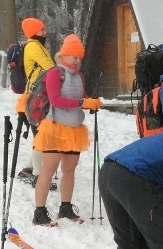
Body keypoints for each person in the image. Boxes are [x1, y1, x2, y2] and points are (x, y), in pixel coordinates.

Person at [31, 34, 102, 226]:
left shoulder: (79, 76)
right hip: (55, 127)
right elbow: (56, 100)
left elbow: (81, 98)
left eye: (80, 58)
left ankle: (65, 207)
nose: (78, 61)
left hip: (74, 129)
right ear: (64, 56)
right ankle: (39, 212)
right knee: (48, 170)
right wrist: (82, 102)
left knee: (69, 170)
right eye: (74, 57)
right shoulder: (55, 73)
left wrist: (91, 103)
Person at [14, 17, 55, 186]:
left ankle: (28, 168)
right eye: (41, 30)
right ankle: (39, 177)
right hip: (37, 98)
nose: (45, 32)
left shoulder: (37, 46)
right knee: (40, 137)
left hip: (40, 96)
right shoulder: (33, 47)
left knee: (41, 135)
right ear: (33, 32)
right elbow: (51, 68)